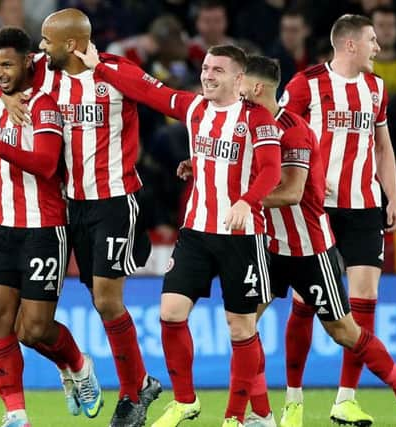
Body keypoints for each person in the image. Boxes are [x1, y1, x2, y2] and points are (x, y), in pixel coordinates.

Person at [76, 42, 282, 427]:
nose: (207, 75)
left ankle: (238, 416)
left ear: (239, 79)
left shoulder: (257, 120)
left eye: (217, 70)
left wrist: (246, 201)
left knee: (241, 326)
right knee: (170, 314)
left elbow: (271, 171)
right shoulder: (195, 110)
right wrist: (98, 66)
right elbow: (148, 91)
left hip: (243, 236)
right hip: (196, 232)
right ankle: (185, 400)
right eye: (205, 68)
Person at [234, 55, 396, 427]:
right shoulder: (247, 126)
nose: (235, 92)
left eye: (239, 84)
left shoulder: (295, 130)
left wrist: (241, 198)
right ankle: (258, 414)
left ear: (255, 88)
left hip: (309, 248)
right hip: (271, 247)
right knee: (242, 324)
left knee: (345, 331)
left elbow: (291, 191)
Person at [0, 27, 101, 427]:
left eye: (5, 64)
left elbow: (46, 164)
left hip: (43, 229)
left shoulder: (43, 105)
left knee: (33, 329)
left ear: (26, 63)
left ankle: (77, 363)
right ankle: (16, 414)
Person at [33, 9, 162, 427]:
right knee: (98, 299)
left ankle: (132, 392)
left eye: (47, 40)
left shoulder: (117, 71)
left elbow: (165, 101)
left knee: (108, 299)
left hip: (114, 200)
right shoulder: (44, 75)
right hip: (71, 204)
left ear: (70, 44)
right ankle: (135, 382)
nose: (41, 47)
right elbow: (6, 80)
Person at [277, 14, 396, 426]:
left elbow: (383, 148)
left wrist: (393, 199)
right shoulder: (304, 84)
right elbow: (275, 137)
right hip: (316, 210)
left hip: (364, 206)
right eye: (372, 41)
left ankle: (345, 399)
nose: (378, 48)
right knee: (305, 303)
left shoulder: (376, 88)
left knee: (365, 299)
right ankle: (293, 400)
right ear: (350, 44)